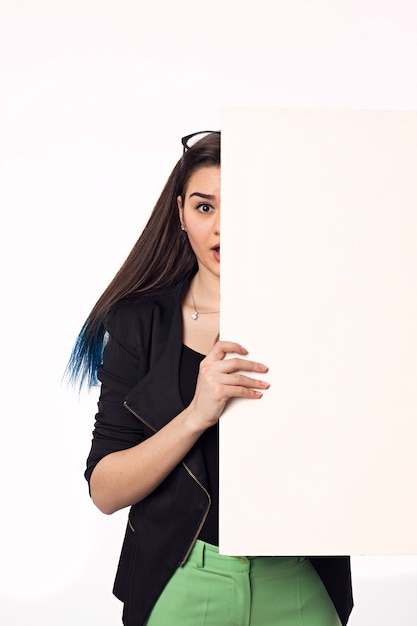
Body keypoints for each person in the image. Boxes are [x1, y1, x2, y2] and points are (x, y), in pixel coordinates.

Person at [67, 131, 353, 626]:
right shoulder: (139, 322)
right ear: (180, 212)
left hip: (300, 578)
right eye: (205, 207)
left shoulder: (327, 312)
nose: (222, 228)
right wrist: (196, 415)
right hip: (182, 578)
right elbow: (104, 491)